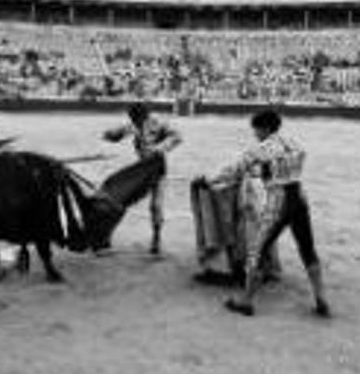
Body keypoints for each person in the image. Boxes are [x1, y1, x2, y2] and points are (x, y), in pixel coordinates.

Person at [203, 110, 329, 317]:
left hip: (278, 201)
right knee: (307, 248)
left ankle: (246, 301)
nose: (255, 134)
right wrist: (264, 172)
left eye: (257, 129)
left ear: (266, 128)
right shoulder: (295, 143)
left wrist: (210, 180)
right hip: (299, 197)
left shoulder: (260, 149)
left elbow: (234, 169)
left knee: (256, 250)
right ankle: (321, 297)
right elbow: (284, 165)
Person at [103, 102, 182, 254]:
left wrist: (159, 148)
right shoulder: (133, 124)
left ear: (144, 117)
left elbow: (177, 136)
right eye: (133, 120)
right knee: (122, 201)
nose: (135, 123)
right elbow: (119, 133)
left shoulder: (158, 123)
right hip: (140, 171)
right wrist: (110, 135)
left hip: (157, 169)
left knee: (156, 206)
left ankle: (156, 239)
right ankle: (106, 237)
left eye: (137, 119)